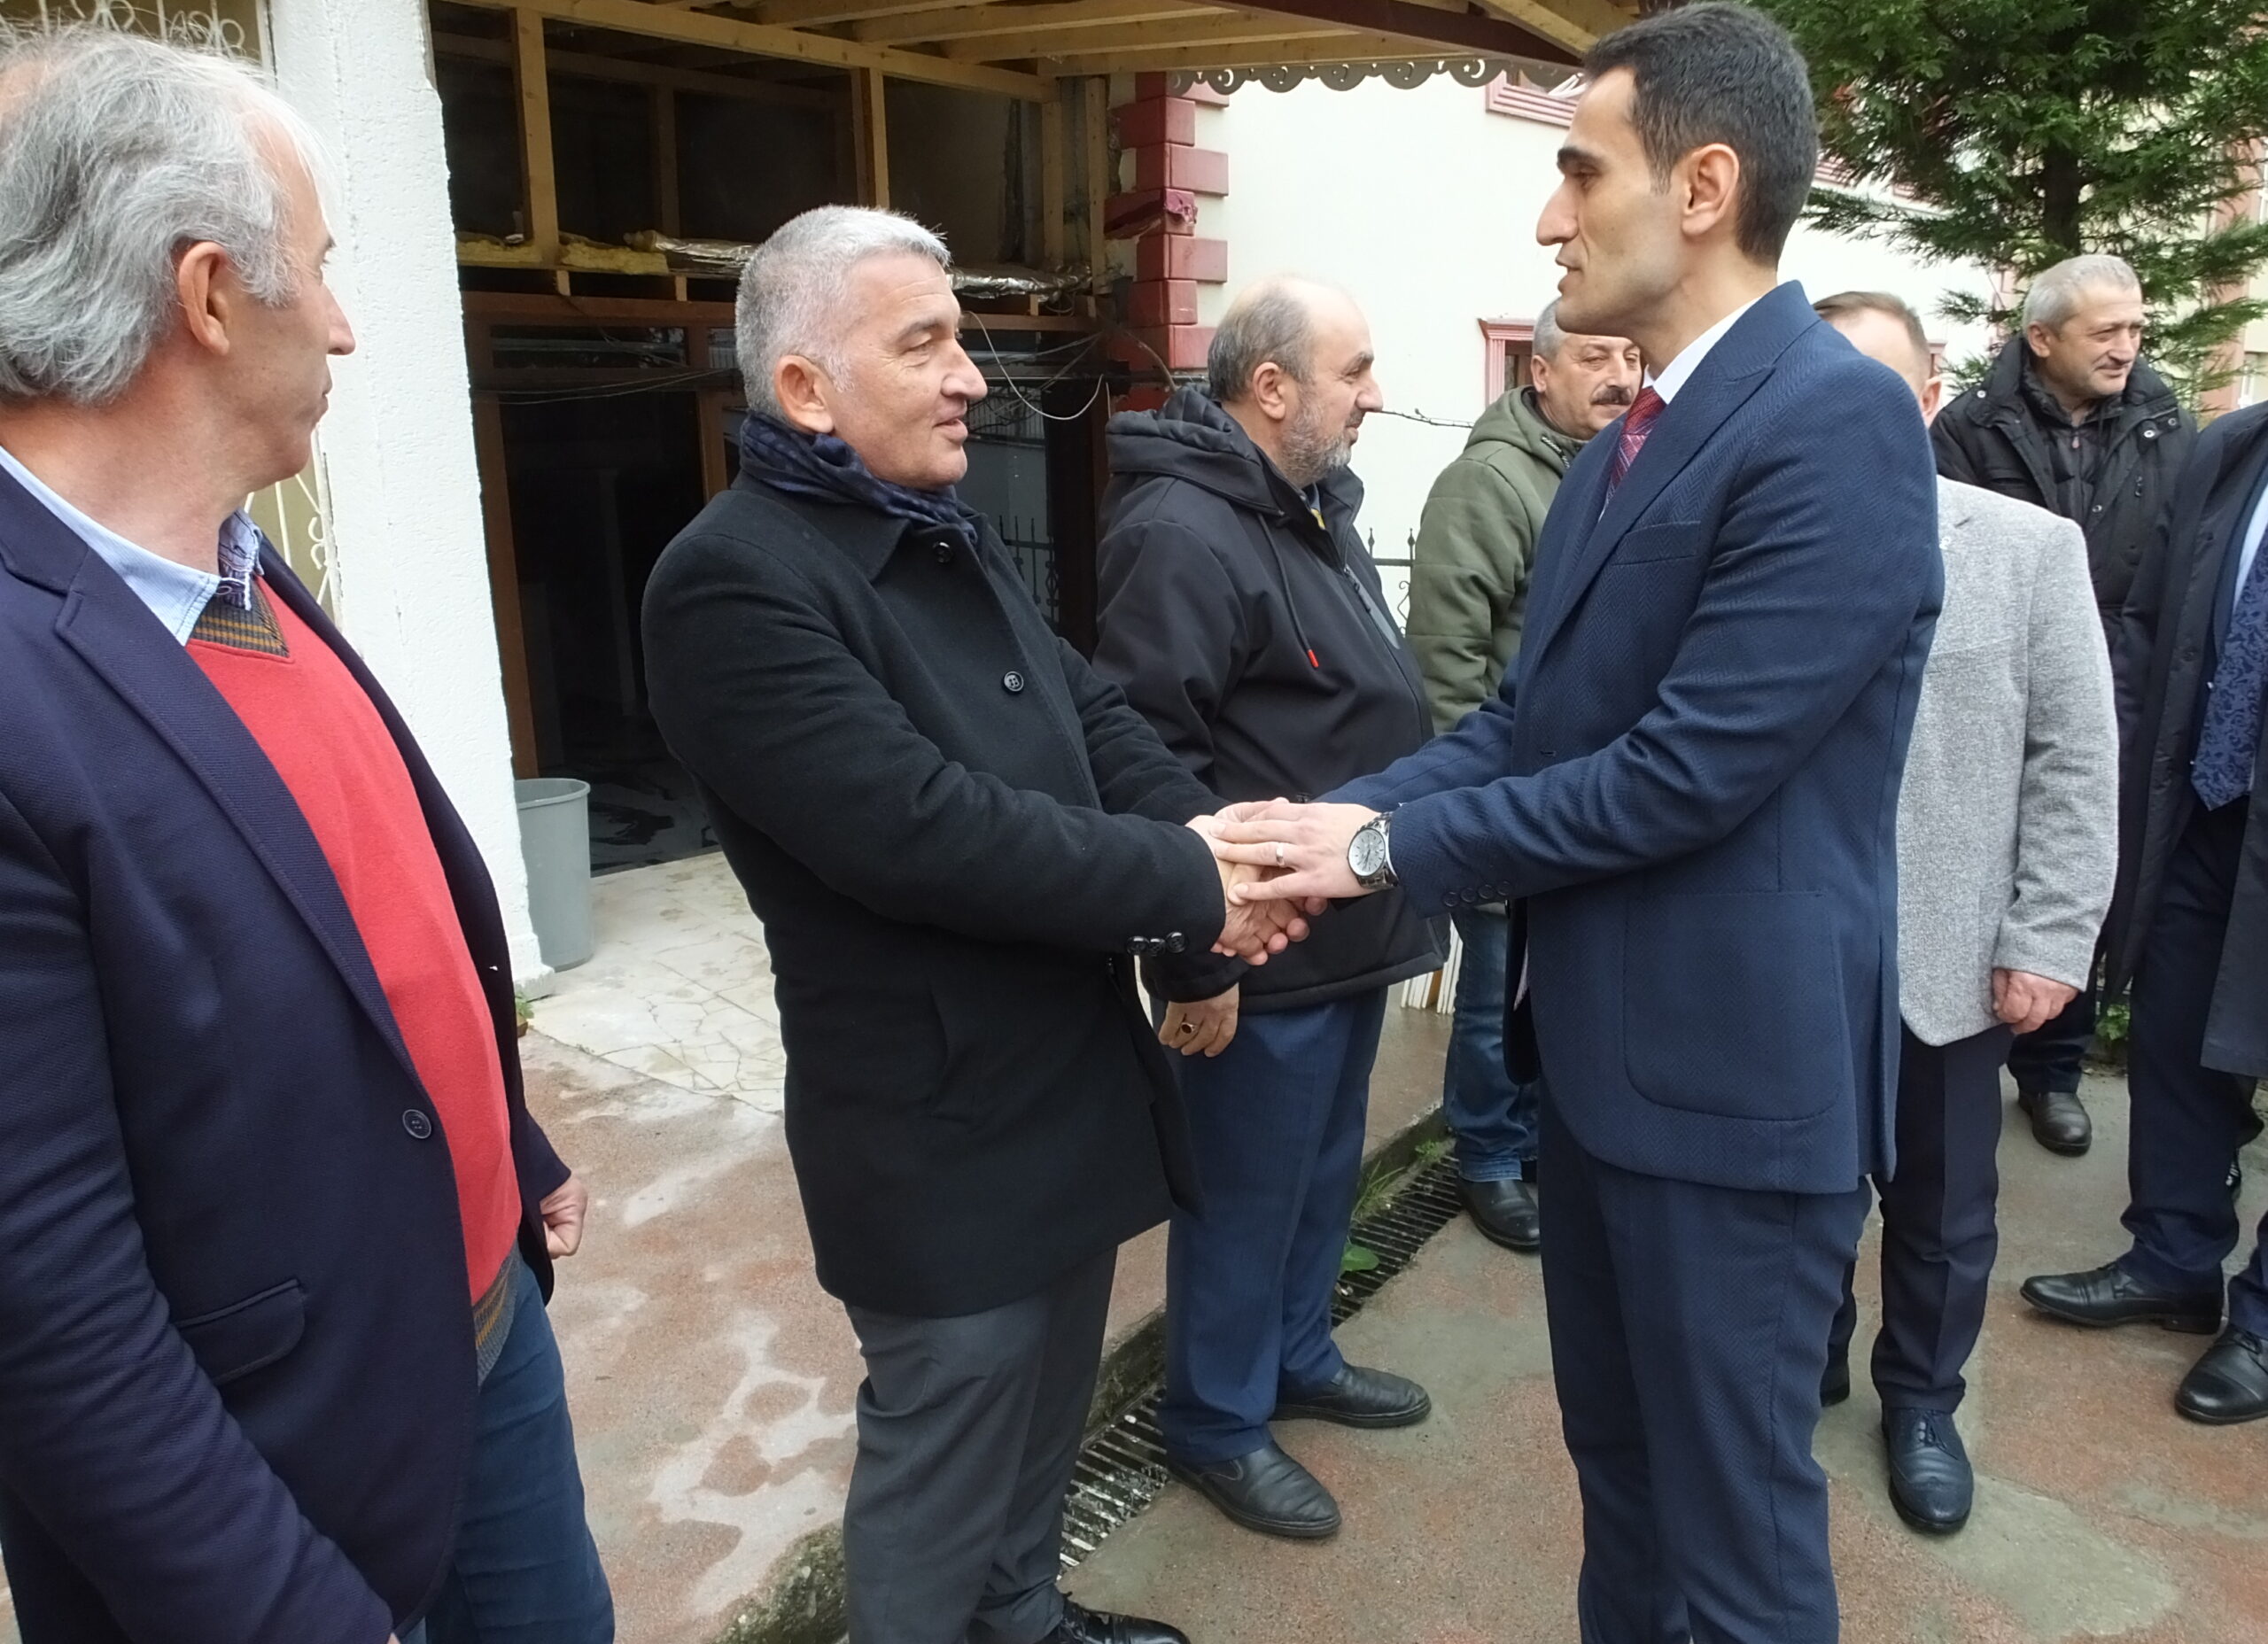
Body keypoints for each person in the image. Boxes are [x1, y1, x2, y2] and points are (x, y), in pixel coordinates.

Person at [1210, 3, 1941, 1644]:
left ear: (1703, 186)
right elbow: (1531, 729)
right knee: (1623, 1489)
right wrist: (1325, 823)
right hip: (1606, 1088)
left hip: (1732, 1106)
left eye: (1582, 171)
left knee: (1735, 1553)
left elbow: (1686, 773)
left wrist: (1378, 855)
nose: (1551, 217)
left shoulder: (1830, 421)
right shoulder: (1630, 442)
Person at [0, 27, 607, 1644]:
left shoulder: (228, 559)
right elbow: (50, 1318)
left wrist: (500, 1138)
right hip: (286, 1474)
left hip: (480, 1325)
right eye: (322, 270)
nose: (342, 322)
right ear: (208, 295)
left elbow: (353, 903)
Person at [641, 206, 1307, 1644]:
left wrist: (1225, 867)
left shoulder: (937, 532)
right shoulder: (731, 580)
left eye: (963, 340)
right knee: (945, 1458)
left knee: (1045, 1413)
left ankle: (1026, 1621)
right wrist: (1192, 880)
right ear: (806, 387)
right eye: (925, 344)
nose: (970, 380)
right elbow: (921, 830)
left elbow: (1097, 721)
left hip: (1062, 1084)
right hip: (935, 1128)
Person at [1091, 276, 1441, 1541]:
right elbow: (1145, 761)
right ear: (1272, 386)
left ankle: (1297, 1355)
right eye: (1354, 371)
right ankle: (1216, 1423)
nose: (1375, 395)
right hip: (1257, 948)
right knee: (1243, 1201)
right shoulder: (1182, 533)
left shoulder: (1307, 506)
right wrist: (1198, 962)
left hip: (1343, 931)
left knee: (1318, 1176)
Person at [1814, 291, 2117, 1534]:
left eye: (1878, 391)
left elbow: (2074, 759)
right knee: (1802, 1194)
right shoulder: (1755, 539)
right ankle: (1805, 1356)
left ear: (1929, 398)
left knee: (1942, 1211)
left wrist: (2048, 938)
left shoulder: (2027, 549)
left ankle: (1923, 1401)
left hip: (1951, 954)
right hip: (1797, 950)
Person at [2020, 397, 2268, 1424]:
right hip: (2208, 808)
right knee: (2172, 1034)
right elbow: (2150, 624)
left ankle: (2264, 1325)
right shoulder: (2234, 447)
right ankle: (2173, 1257)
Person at [1932, 253, 2194, 1156]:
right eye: (2106, 331)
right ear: (2041, 339)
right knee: (1984, 856)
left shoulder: (2166, 427)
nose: (2127, 347)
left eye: (2136, 328)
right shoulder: (1968, 427)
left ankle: (2054, 1071)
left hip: (2117, 675)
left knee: (2082, 862)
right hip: (1995, 679)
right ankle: (1966, 1045)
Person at [1405, 300, 1641, 1253]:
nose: (1619, 375)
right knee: (1495, 989)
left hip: (1592, 800)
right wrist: (1480, 808)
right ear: (1538, 372)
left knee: (1563, 986)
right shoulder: (1489, 483)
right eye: (1594, 356)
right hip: (1510, 796)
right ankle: (1490, 1155)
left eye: (1630, 355)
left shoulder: (1629, 466)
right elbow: (1446, 656)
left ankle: (1544, 1144)